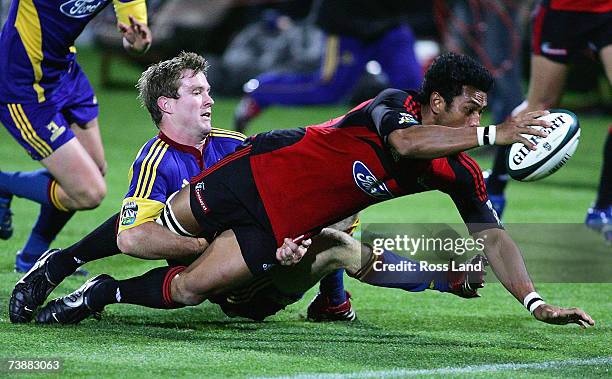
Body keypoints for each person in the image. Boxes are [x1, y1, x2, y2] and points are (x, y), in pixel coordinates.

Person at [36, 53, 594, 328]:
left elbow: (493, 237)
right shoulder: (394, 105)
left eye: (482, 110)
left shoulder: (460, 171)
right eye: (470, 105)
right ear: (437, 101)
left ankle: (100, 293)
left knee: (193, 292)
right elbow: (404, 144)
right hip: (258, 170)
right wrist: (495, 133)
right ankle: (65, 259)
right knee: (146, 234)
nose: (477, 116)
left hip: (285, 226)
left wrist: (535, 302)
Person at [0, 0, 152, 272]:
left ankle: (32, 255)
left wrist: (136, 42)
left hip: (64, 75)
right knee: (88, 192)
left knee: (94, 168)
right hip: (23, 88)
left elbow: (134, 37)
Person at [485, 0, 612, 233]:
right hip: (561, 13)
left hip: (607, 12)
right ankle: (494, 188)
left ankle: (603, 209)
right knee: (541, 106)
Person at [233, 0, 423, 134]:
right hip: (347, 25)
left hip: (390, 23)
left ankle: (423, 143)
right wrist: (291, 12)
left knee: (413, 90)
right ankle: (259, 92)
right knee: (328, 89)